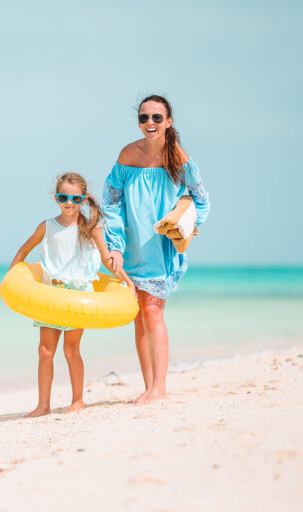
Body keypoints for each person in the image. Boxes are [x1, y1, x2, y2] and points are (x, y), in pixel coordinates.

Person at [102, 94, 211, 404]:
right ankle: (149, 386)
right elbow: (111, 201)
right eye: (144, 117)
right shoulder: (127, 154)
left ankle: (159, 389)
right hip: (130, 246)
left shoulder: (177, 157)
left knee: (152, 312)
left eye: (156, 118)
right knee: (138, 315)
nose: (150, 123)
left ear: (168, 122)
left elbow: (201, 198)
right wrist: (116, 246)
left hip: (161, 246)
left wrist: (191, 224)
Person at [9, 173, 134, 417]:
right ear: (56, 198)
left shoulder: (90, 227)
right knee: (45, 350)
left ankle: (78, 400)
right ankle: (43, 405)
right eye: (63, 197)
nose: (69, 202)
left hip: (78, 295)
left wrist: (127, 281)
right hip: (50, 295)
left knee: (71, 350)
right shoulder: (47, 226)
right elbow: (24, 249)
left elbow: (107, 260)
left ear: (83, 199)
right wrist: (11, 277)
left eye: (75, 198)